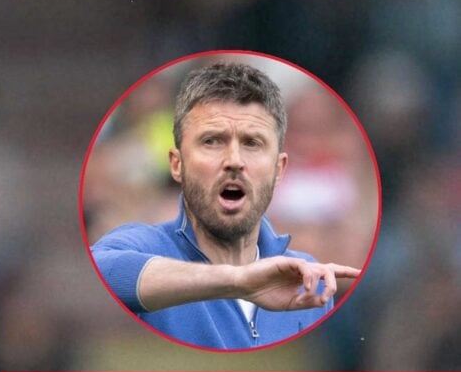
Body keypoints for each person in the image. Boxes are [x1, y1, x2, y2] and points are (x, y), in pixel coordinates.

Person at [90, 61, 361, 349]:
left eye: (252, 143)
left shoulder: (308, 278)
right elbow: (104, 270)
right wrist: (238, 280)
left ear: (279, 169)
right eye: (212, 141)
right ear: (177, 164)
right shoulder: (140, 245)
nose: (234, 160)